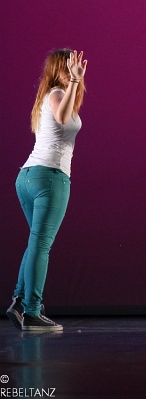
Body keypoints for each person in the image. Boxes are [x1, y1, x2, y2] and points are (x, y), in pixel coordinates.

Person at [7, 49, 87, 332]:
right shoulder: (56, 94)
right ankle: (32, 312)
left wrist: (75, 84)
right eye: (70, 66)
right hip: (50, 178)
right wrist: (75, 81)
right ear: (59, 69)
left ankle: (20, 302)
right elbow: (63, 118)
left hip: (28, 177)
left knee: (35, 244)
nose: (75, 71)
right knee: (41, 246)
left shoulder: (50, 96)